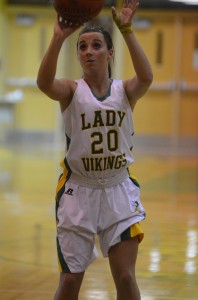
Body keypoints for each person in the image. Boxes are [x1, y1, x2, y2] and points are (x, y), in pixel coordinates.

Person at [37, 0, 153, 299]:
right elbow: (44, 83)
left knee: (126, 278)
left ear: (110, 53)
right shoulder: (71, 91)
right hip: (79, 192)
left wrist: (126, 30)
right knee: (71, 282)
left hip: (118, 189)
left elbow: (147, 77)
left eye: (97, 45)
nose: (88, 51)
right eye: (83, 47)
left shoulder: (124, 91)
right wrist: (59, 37)